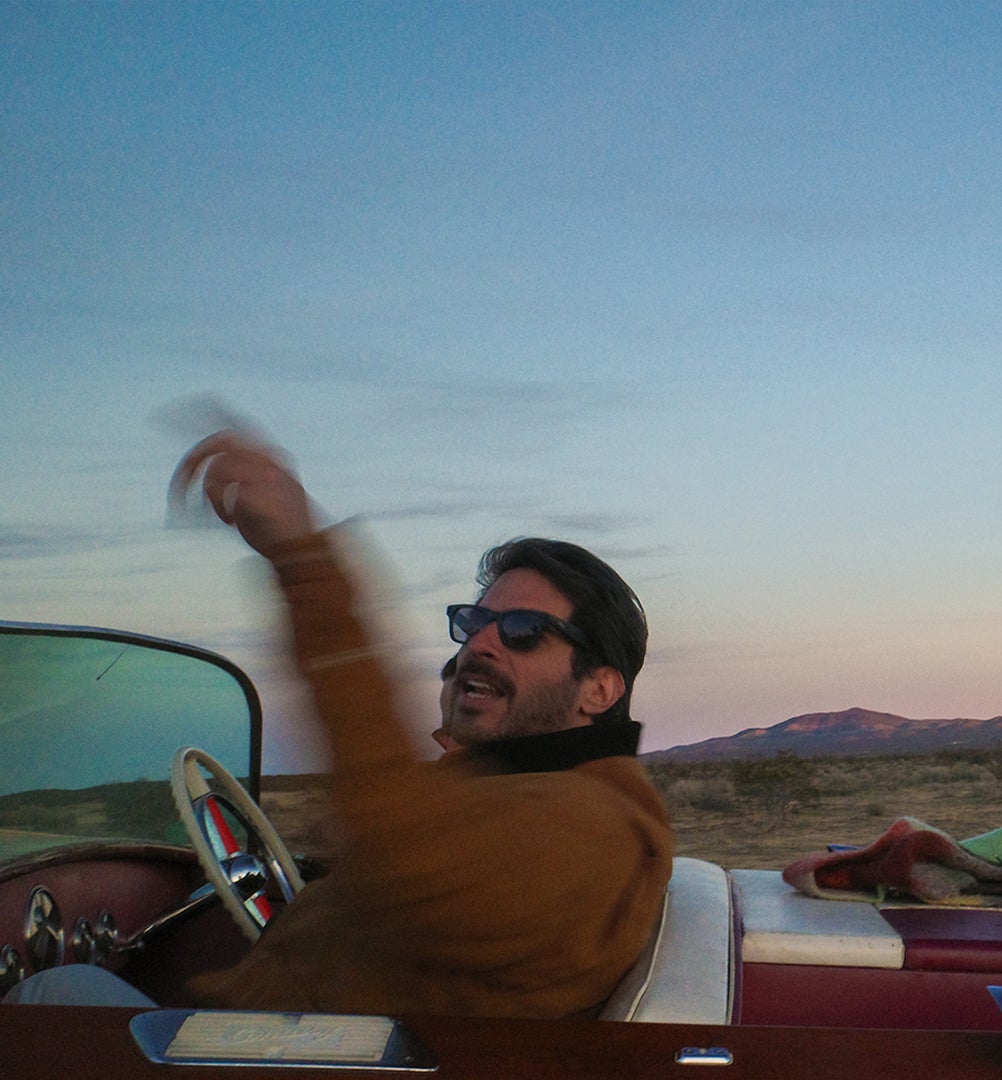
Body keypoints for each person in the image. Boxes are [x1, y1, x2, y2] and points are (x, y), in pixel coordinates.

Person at [8, 430, 674, 1018]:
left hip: (272, 1058)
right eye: (476, 622)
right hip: (269, 1038)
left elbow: (403, 845)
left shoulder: (593, 829)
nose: (481, 643)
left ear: (599, 689)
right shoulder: (513, 800)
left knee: (54, 992)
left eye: (523, 630)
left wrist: (305, 563)